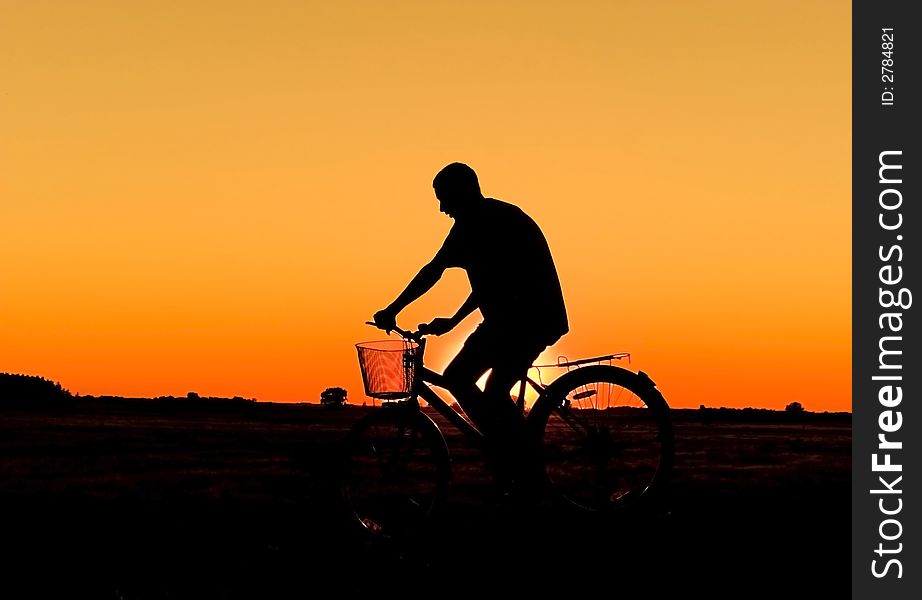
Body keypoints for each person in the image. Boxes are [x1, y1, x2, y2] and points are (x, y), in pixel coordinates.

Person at [374, 162, 568, 481]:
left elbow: (432, 271)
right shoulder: (487, 218)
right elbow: (492, 284)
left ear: (461, 192)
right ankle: (511, 454)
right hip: (513, 320)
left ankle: (521, 462)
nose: (441, 208)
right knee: (468, 382)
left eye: (443, 197)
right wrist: (452, 321)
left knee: (477, 386)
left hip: (526, 320)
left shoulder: (479, 223)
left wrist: (393, 309)